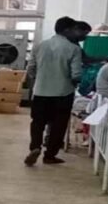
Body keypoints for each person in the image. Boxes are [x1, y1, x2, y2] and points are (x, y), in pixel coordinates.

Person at [24, 16, 82, 166]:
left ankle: (35, 147)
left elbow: (31, 69)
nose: (75, 33)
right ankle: (49, 156)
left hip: (40, 91)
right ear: (67, 30)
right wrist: (74, 83)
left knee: (37, 122)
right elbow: (76, 75)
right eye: (74, 29)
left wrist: (40, 80)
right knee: (58, 126)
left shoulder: (39, 46)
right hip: (63, 93)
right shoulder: (74, 49)